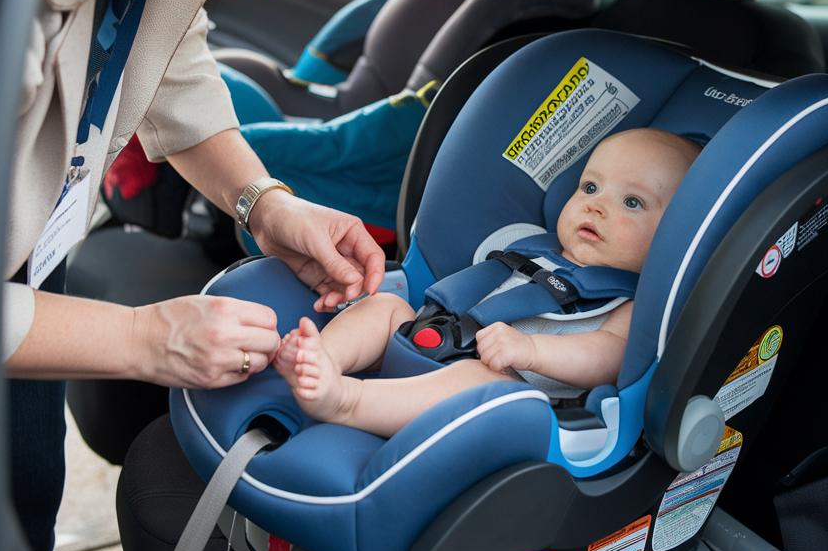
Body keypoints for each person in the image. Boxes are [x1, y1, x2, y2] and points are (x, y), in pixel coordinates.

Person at [3, 0, 384, 551]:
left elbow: (171, 59)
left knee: (22, 494)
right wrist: (146, 339)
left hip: (32, 266)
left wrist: (265, 204)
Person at [273, 128, 702, 437]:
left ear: (674, 236)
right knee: (386, 308)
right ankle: (322, 361)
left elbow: (606, 358)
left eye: (632, 202)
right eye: (590, 186)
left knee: (481, 384)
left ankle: (346, 401)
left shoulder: (630, 304)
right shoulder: (529, 247)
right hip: (431, 338)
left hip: (512, 390)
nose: (596, 206)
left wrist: (531, 350)